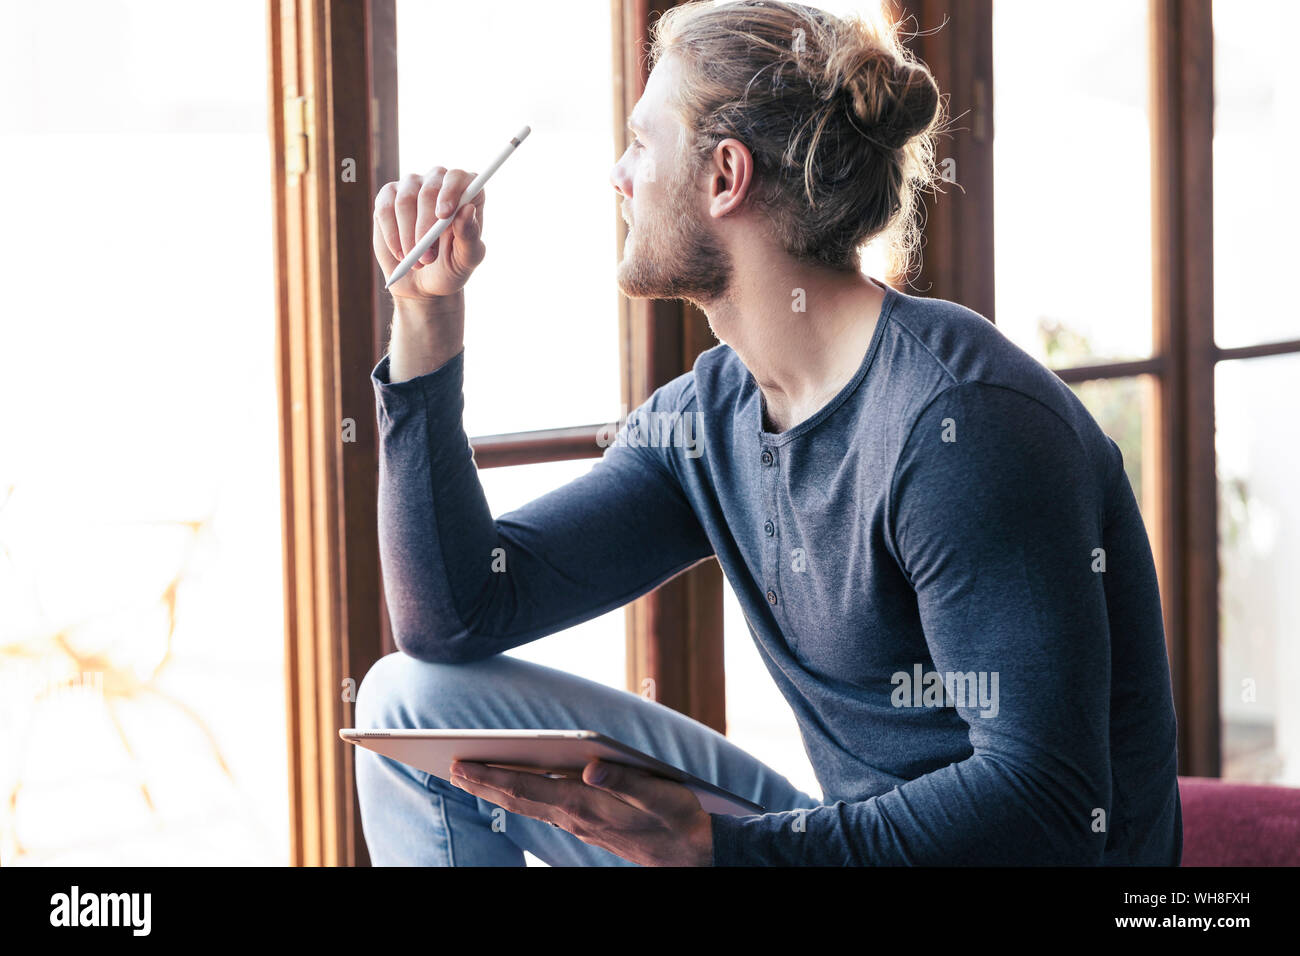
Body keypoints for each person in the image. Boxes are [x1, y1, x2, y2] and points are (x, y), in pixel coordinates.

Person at [355, 0, 1182, 866]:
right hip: (836, 847)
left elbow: (1046, 805)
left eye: (642, 143)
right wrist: (425, 320)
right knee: (409, 698)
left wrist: (728, 854)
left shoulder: (961, 425)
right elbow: (451, 615)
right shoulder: (714, 417)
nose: (617, 175)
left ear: (725, 176)